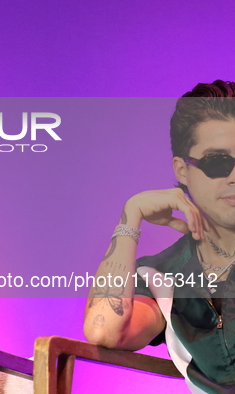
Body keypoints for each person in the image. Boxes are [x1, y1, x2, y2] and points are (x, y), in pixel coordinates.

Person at [83, 80, 235, 393]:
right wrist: (131, 216)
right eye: (218, 162)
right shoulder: (160, 274)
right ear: (182, 170)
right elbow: (105, 332)